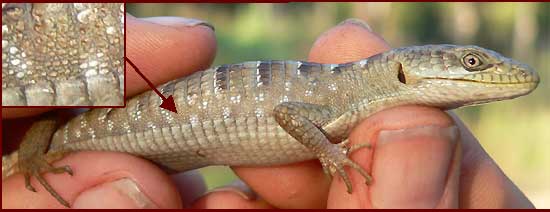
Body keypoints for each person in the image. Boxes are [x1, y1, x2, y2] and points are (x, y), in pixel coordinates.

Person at [1, 15, 534, 209]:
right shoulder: (342, 100)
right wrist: (327, 153)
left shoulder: (353, 99)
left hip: (161, 151)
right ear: (406, 69)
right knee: (54, 141)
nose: (490, 71)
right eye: (473, 62)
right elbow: (287, 114)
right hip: (82, 133)